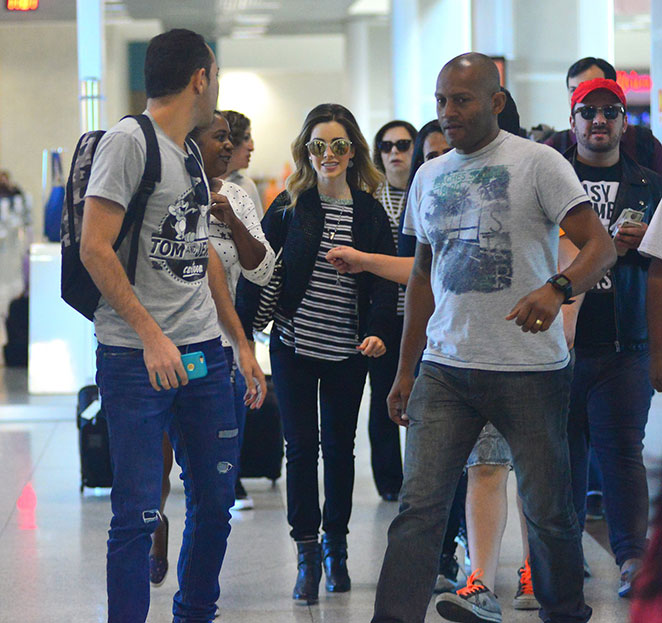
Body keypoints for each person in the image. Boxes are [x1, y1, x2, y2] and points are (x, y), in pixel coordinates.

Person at [370, 52, 616, 623]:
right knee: (418, 511)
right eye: (440, 102)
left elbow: (599, 246)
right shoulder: (428, 176)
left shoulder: (539, 164)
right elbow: (423, 278)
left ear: (496, 103)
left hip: (530, 369)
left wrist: (557, 288)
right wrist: (406, 371)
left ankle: (562, 612)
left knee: (549, 511)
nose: (448, 113)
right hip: (445, 368)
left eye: (461, 100)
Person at [80, 29, 266, 623]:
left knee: (215, 504)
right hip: (135, 359)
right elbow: (94, 247)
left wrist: (238, 341)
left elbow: (200, 251)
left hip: (203, 356)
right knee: (136, 510)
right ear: (200, 77)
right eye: (215, 75)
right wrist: (151, 335)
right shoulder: (128, 142)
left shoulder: (188, 148)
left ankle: (195, 612)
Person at [236, 102, 397, 604]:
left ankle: (337, 549)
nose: (329, 154)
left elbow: (384, 281)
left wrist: (378, 332)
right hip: (294, 347)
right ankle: (306, 551)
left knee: (340, 451)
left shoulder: (370, 212)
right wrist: (244, 341)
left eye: (339, 145)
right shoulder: (288, 206)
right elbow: (256, 269)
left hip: (349, 352)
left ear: (353, 152)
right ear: (307, 152)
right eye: (319, 146)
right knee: (302, 450)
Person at [148, 110, 275, 585]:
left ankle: (195, 601)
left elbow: (262, 270)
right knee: (155, 471)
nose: (230, 146)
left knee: (213, 491)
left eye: (231, 138)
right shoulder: (164, 190)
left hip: (220, 353)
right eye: (219, 137)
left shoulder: (238, 196)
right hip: (163, 348)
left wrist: (231, 221)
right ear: (191, 141)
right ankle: (156, 520)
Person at [559, 78, 662, 599]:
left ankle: (631, 561)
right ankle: (566, 556)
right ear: (573, 121)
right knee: (565, 453)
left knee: (622, 451)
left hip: (626, 342)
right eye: (588, 112)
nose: (599, 121)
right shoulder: (551, 181)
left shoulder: (651, 186)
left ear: (624, 123)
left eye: (610, 112)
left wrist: (647, 244)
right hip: (560, 343)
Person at [368, 119, 418, 501]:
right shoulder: (371, 198)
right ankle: (389, 482)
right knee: (383, 396)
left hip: (426, 316)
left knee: (427, 398)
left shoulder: (426, 191)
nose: (395, 153)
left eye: (403, 144)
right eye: (386, 146)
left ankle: (422, 477)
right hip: (384, 315)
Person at [545, 57, 662, 174]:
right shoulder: (556, 146)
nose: (599, 120)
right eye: (574, 90)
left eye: (593, 86)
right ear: (572, 122)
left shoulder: (644, 143)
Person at [220, 110, 263, 218]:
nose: (251, 147)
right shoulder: (199, 182)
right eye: (246, 138)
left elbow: (257, 233)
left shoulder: (246, 185)